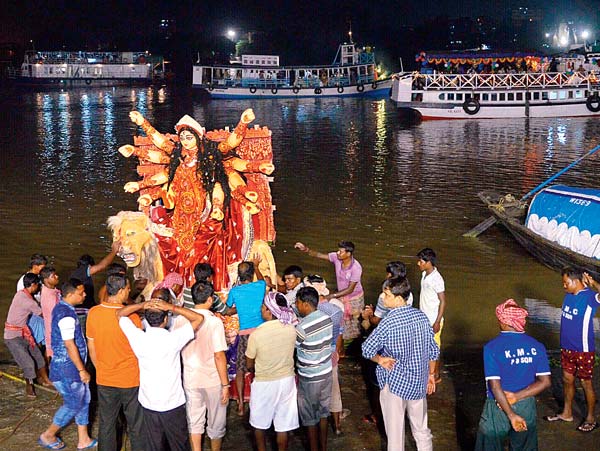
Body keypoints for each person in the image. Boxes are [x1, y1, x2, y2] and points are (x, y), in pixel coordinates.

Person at [121, 110, 273, 289]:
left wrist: (243, 122)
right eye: (182, 136)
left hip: (207, 213)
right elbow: (161, 158)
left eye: (189, 136)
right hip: (180, 216)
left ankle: (204, 288)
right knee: (166, 242)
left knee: (199, 248)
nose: (185, 140)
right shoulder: (177, 156)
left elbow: (230, 143)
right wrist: (138, 178)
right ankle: (177, 286)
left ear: (197, 136)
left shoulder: (210, 154)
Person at [361, 277, 439, 451]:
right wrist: (431, 376)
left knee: (395, 436)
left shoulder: (388, 322)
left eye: (386, 294)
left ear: (398, 298)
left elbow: (367, 349)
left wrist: (380, 359)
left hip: (394, 384)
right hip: (419, 382)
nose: (382, 297)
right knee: (421, 430)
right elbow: (433, 350)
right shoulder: (421, 317)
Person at [117, 298, 204, 451]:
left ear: (147, 320)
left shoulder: (138, 338)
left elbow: (119, 314)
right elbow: (199, 318)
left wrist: (142, 305)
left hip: (149, 403)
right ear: (165, 319)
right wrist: (171, 306)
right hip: (173, 404)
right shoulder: (173, 339)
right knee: (179, 445)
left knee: (155, 446)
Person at [475, 299, 551, 451]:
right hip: (525, 404)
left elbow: (495, 387)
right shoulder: (537, 346)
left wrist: (511, 414)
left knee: (490, 445)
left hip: (498, 406)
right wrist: (517, 397)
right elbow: (545, 382)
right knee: (524, 446)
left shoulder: (492, 348)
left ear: (504, 322)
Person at [86, 274, 145, 451]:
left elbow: (92, 347)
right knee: (136, 424)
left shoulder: (94, 313)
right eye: (127, 289)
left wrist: (101, 369)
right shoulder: (132, 317)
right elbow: (139, 349)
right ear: (120, 291)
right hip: (131, 380)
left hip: (105, 379)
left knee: (107, 423)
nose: (129, 291)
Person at [39, 278, 97, 450]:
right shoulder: (66, 316)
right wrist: (81, 370)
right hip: (68, 369)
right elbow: (69, 344)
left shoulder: (63, 308)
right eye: (81, 293)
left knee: (84, 399)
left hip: (68, 367)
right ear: (70, 295)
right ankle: (48, 435)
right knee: (74, 403)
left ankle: (83, 438)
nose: (85, 295)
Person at [174, 281, 229, 451]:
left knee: (194, 421)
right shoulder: (214, 322)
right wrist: (225, 384)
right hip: (213, 380)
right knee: (216, 422)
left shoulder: (181, 319)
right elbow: (219, 355)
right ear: (211, 299)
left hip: (191, 379)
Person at [544, 268, 600, 432]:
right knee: (567, 380)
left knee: (586, 383)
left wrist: (594, 283)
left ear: (576, 282)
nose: (564, 286)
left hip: (583, 350)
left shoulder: (590, 297)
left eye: (566, 282)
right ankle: (566, 413)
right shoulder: (568, 296)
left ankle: (591, 418)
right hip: (566, 349)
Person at [246, 291, 299, 451]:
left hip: (264, 383)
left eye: (263, 307)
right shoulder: (291, 329)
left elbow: (249, 363)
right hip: (287, 382)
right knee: (283, 425)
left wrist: (255, 369)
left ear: (270, 311)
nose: (261, 310)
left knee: (259, 424)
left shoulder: (257, 334)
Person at [295, 240, 364, 342]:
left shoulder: (356, 268)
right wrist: (305, 249)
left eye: (341, 251)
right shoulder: (336, 258)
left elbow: (350, 289)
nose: (337, 253)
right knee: (342, 319)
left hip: (354, 297)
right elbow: (318, 255)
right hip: (340, 294)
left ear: (348, 254)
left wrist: (330, 296)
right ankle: (341, 339)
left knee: (353, 321)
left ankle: (352, 341)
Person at [226, 261, 267, 415]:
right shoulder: (260, 285)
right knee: (260, 366)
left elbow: (229, 308)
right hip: (260, 332)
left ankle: (241, 404)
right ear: (251, 274)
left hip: (244, 334)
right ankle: (260, 400)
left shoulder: (235, 291)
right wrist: (257, 266)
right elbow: (263, 280)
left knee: (240, 369)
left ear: (239, 275)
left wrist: (238, 308)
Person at [295, 286, 333, 451]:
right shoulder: (327, 318)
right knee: (323, 412)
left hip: (309, 376)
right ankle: (323, 447)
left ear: (305, 304)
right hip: (326, 372)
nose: (296, 306)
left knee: (309, 416)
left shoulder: (302, 327)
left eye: (297, 303)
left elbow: (294, 346)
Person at [4, 272, 52, 397]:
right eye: (38, 285)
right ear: (33, 285)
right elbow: (43, 316)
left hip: (23, 333)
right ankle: (29, 386)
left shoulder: (20, 294)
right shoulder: (29, 302)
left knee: (38, 356)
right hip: (13, 337)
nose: (39, 288)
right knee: (28, 363)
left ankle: (45, 379)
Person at [70, 241, 121, 336]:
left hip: (85, 310)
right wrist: (114, 251)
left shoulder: (79, 276)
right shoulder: (81, 272)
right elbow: (101, 266)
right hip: (81, 313)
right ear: (89, 266)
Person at [416, 248, 446, 383]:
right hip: (424, 317)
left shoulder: (437, 279)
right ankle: (429, 371)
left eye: (421, 261)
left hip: (433, 319)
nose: (418, 263)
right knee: (426, 346)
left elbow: (443, 301)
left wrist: (437, 321)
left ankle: (436, 375)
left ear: (428, 262)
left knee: (434, 347)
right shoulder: (424, 274)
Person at [16, 253, 48, 349]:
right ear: (35, 266)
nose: (44, 270)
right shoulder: (23, 282)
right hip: (31, 315)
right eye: (42, 267)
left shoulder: (40, 279)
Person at [40, 266, 60, 359]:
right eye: (53, 276)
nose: (57, 276)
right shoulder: (50, 298)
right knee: (52, 350)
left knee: (49, 347)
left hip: (50, 327)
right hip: (53, 328)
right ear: (46, 280)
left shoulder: (48, 290)